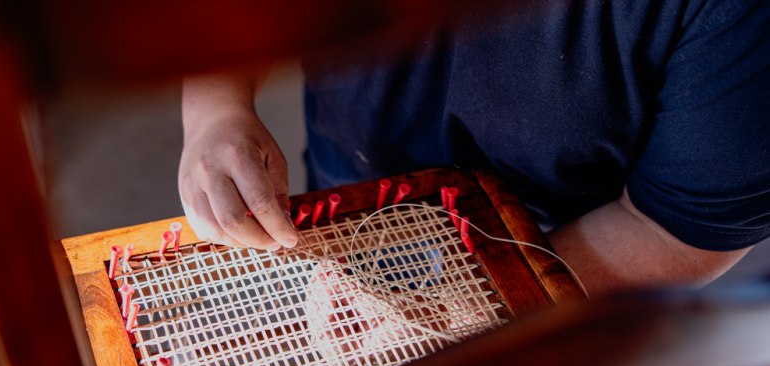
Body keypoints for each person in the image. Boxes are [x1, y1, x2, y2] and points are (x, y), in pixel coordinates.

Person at [180, 0, 769, 297]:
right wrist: (216, 110)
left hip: (560, 268)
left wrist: (472, 309)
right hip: (347, 189)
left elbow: (676, 230)